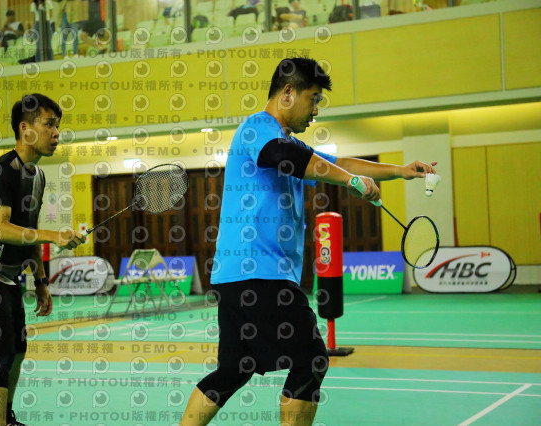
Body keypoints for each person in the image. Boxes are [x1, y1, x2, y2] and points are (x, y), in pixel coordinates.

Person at [179, 57, 437, 426]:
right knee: (311, 358)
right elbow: (284, 157)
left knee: (234, 368)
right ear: (288, 92)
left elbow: (339, 162)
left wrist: (399, 171)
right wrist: (348, 181)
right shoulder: (257, 128)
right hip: (259, 273)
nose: (316, 110)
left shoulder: (292, 144)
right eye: (313, 99)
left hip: (236, 276)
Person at [0, 93, 85, 426]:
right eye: (49, 125)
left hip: (9, 276)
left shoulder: (38, 176)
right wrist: (55, 235)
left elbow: (28, 231)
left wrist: (41, 281)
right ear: (25, 129)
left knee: (17, 350)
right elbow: (0, 229)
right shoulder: (1, 171)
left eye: (57, 126)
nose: (56, 133)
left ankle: (7, 418)